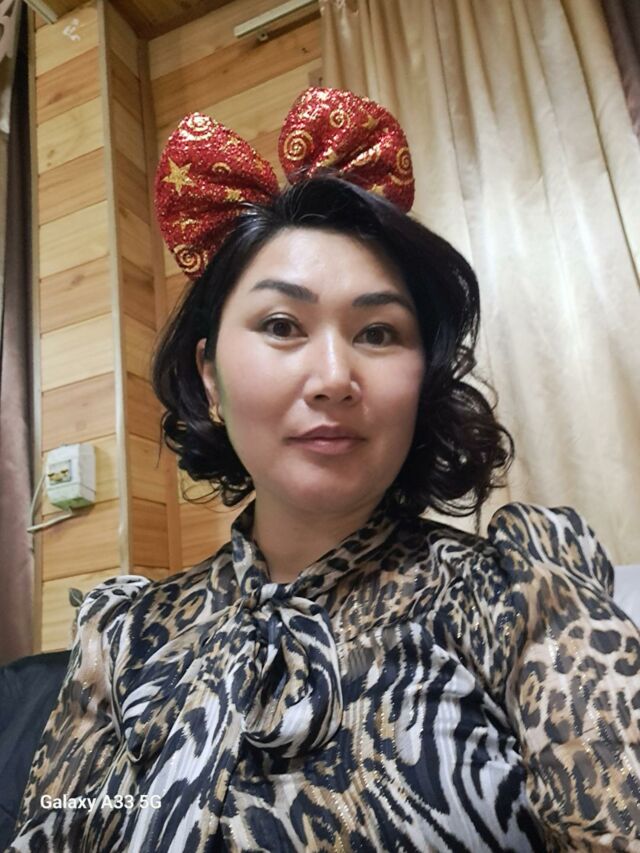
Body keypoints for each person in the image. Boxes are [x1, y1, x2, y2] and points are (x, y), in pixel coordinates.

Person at [9, 88, 640, 852]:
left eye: (378, 332)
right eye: (282, 324)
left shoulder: (523, 600)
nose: (336, 376)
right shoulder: (122, 636)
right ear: (211, 378)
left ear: (422, 378)